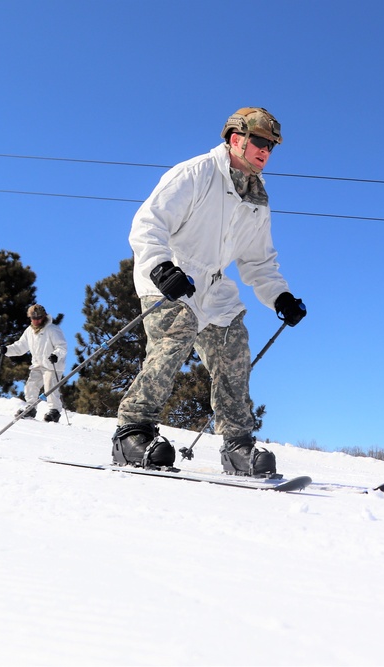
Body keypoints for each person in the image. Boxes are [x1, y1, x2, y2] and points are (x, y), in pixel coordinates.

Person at [113, 107, 306, 476]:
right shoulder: (196, 172)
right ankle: (131, 432)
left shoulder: (257, 198)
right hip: (170, 274)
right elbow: (147, 223)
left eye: (272, 146)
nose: (266, 151)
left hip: (214, 287)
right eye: (260, 142)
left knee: (234, 346)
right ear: (237, 139)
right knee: (177, 332)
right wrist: (160, 267)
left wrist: (280, 296)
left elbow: (258, 262)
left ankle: (237, 446)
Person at [4, 304, 67, 422]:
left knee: (50, 386)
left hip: (52, 364)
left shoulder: (52, 329)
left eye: (39, 318)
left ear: (43, 317)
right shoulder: (29, 331)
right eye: (33, 318)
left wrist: (56, 355)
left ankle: (54, 411)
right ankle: (31, 408)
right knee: (30, 385)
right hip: (38, 364)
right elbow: (21, 346)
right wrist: (7, 350)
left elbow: (62, 346)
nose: (36, 320)